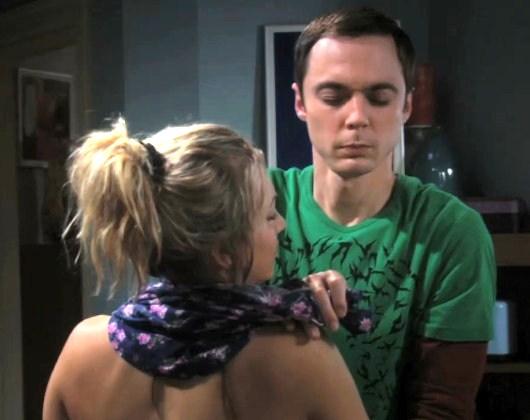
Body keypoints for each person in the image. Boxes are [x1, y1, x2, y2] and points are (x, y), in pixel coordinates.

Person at [43, 119, 370, 420]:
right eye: (270, 215)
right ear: (223, 253)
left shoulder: (81, 351)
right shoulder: (303, 356)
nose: (281, 225)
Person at [269, 6, 496, 420]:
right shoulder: (257, 205)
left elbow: (442, 408)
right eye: (333, 96)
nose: (357, 118)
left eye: (379, 97)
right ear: (300, 102)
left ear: (406, 105)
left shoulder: (451, 231)